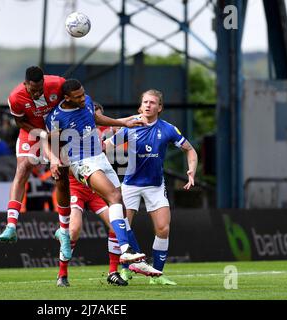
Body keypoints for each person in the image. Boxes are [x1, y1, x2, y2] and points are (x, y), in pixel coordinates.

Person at [46, 79, 162, 277]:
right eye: (78, 97)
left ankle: (137, 261)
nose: (83, 98)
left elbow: (97, 119)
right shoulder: (56, 117)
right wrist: (53, 160)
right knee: (114, 197)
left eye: (83, 94)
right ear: (67, 98)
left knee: (121, 210)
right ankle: (126, 251)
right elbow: (48, 141)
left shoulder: (87, 101)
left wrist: (123, 122)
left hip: (99, 158)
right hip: (81, 162)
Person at [105, 89, 198, 285]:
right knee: (122, 226)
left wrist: (191, 170)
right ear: (140, 106)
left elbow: (190, 150)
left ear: (160, 107)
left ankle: (157, 274)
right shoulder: (129, 128)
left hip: (155, 186)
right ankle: (126, 270)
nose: (148, 105)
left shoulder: (168, 129)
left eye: (153, 102)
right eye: (145, 102)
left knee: (163, 229)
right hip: (130, 184)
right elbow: (106, 146)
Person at [0, 66, 73, 261]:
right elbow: (20, 123)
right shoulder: (16, 97)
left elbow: (76, 98)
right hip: (32, 132)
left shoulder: (58, 83)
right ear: (25, 85)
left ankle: (63, 230)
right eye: (33, 90)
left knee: (61, 177)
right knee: (22, 169)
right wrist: (41, 135)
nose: (38, 92)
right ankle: (11, 225)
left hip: (56, 134)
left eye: (40, 88)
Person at [56, 102, 131, 288]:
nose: (95, 121)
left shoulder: (100, 134)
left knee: (118, 222)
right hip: (77, 189)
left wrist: (139, 120)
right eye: (94, 117)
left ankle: (113, 272)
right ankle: (62, 274)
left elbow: (119, 123)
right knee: (74, 230)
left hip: (96, 191)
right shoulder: (70, 133)